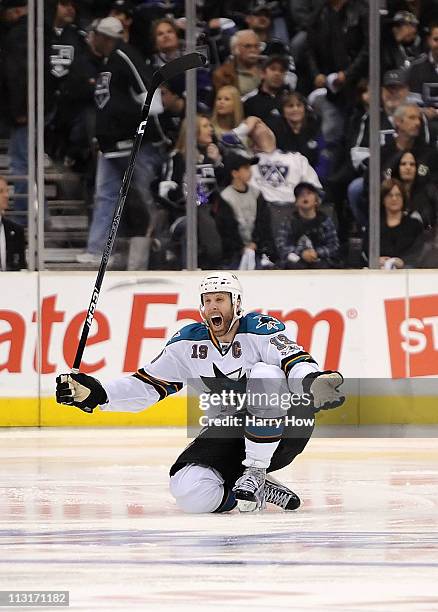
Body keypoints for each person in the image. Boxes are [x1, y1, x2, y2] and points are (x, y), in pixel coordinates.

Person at [56, 271, 345, 514]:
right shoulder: (188, 343)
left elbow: (294, 360)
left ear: (237, 303)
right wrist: (99, 395)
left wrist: (312, 380)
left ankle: (256, 472)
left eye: (220, 299)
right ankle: (247, 489)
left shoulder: (259, 328)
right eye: (207, 301)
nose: (213, 306)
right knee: (188, 491)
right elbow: (147, 385)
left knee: (265, 374)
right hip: (232, 430)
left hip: (285, 429)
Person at [76, 17, 160, 266]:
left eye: (95, 35)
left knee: (146, 197)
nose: (92, 40)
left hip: (134, 145)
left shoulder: (125, 55)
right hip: (110, 147)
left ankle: (160, 246)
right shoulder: (107, 62)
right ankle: (98, 250)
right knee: (105, 196)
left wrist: (135, 124)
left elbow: (151, 96)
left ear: (105, 37)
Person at [214, 152, 277, 269]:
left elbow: (263, 224)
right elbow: (226, 229)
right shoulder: (226, 198)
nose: (250, 171)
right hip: (234, 253)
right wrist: (241, 248)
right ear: (235, 173)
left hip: (257, 250)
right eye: (246, 168)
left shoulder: (257, 194)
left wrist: (255, 244)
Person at [276, 182, 340, 269]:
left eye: (309, 193)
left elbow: (334, 246)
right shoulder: (289, 221)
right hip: (295, 264)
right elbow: (281, 246)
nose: (305, 196)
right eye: (301, 194)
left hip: (320, 263)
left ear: (316, 201)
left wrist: (317, 253)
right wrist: (301, 253)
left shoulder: (325, 221)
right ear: (296, 202)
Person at [372, 178, 424, 269]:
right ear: (383, 199)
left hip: (408, 274)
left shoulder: (414, 225)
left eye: (398, 195)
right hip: (378, 273)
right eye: (389, 195)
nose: (394, 198)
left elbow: (419, 252)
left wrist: (403, 262)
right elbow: (366, 251)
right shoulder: (374, 226)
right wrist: (376, 260)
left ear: (403, 198)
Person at [0, 176, 26, 271]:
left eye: (7, 191)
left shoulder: (16, 231)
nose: (6, 195)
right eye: (1, 191)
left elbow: (21, 268)